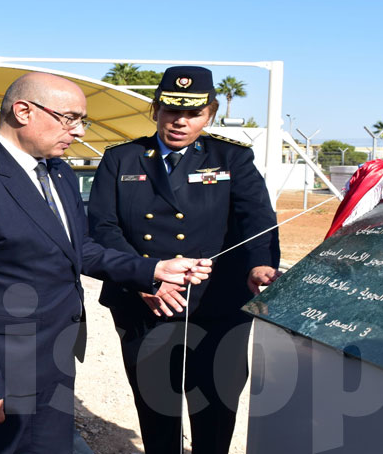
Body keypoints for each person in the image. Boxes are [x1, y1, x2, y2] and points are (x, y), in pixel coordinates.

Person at [0, 72, 213, 453]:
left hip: (52, 356)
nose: (79, 132)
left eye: (81, 121)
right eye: (69, 118)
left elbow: (79, 248)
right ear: (23, 111)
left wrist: (152, 270)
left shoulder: (57, 173)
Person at [88, 65, 281, 453]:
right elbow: (103, 228)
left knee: (215, 405)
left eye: (193, 113)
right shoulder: (122, 159)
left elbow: (256, 219)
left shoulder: (231, 159)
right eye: (172, 111)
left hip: (216, 303)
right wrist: (146, 279)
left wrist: (261, 263)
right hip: (144, 303)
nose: (180, 122)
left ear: (209, 114)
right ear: (156, 110)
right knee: (156, 408)